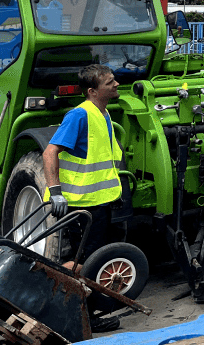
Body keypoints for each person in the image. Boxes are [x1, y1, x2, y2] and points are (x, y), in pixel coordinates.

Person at [43, 63, 123, 268]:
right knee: (84, 261)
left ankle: (88, 296)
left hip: (98, 202)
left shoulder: (103, 113)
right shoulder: (79, 115)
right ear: (92, 91)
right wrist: (55, 192)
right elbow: (50, 152)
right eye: (110, 82)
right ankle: (59, 293)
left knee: (95, 259)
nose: (116, 84)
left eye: (114, 79)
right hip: (81, 204)